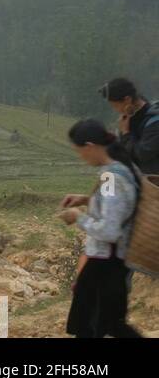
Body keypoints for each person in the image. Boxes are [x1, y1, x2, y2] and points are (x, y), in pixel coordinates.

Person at [57, 119, 143, 338]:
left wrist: (79, 217)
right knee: (111, 325)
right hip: (113, 261)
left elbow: (109, 230)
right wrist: (86, 200)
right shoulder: (122, 169)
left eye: (80, 152)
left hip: (105, 262)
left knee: (90, 326)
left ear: (89, 146)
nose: (81, 157)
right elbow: (117, 206)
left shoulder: (110, 177)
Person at [99, 77, 159, 174]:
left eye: (115, 105)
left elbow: (142, 154)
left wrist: (126, 134)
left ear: (127, 99)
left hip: (153, 183)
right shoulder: (128, 118)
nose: (116, 110)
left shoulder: (155, 121)